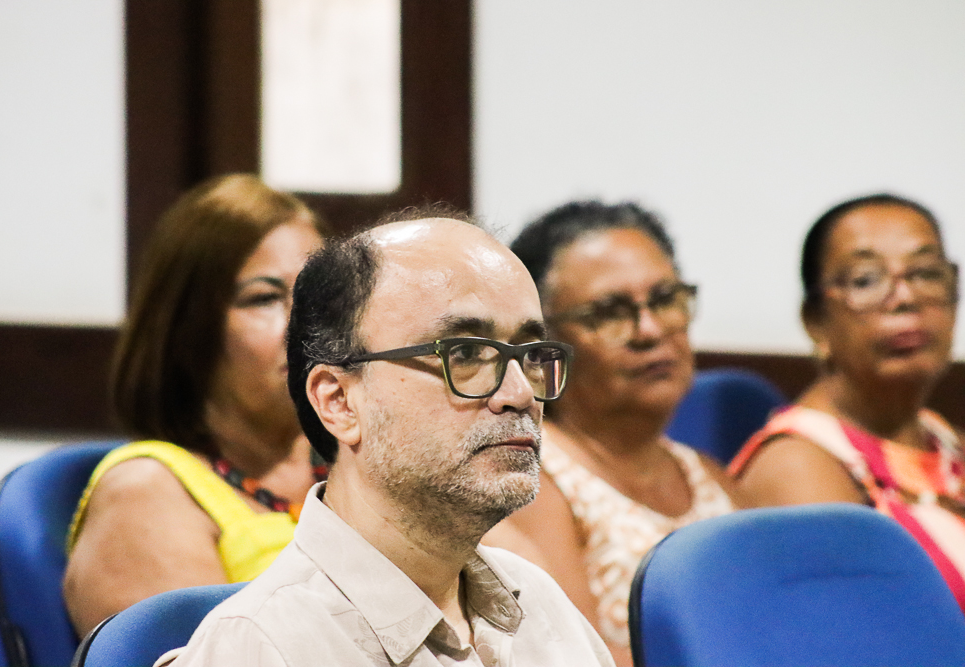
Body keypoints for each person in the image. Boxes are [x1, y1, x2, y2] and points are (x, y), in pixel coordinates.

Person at [162, 213, 615, 666]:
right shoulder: (262, 646)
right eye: (464, 353)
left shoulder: (539, 605)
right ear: (339, 401)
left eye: (532, 355)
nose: (520, 394)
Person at [64, 174, 328, 637]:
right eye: (264, 298)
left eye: (319, 295)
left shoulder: (360, 461)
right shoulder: (144, 495)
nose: (306, 325)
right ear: (187, 332)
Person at [484, 200, 739, 665]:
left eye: (665, 300)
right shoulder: (529, 479)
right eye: (609, 312)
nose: (650, 330)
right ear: (542, 343)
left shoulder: (707, 473)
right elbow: (577, 655)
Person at [730, 193, 965, 609]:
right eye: (866, 280)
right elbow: (858, 632)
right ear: (815, 320)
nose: (905, 298)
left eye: (927, 273)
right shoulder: (796, 466)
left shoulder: (941, 437)